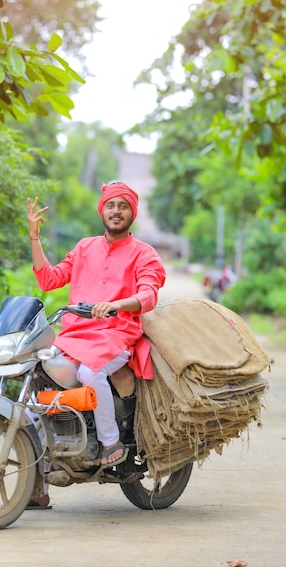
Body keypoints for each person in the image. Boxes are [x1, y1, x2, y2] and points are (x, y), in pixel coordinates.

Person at [26, 181, 166, 508]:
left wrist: (119, 304)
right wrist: (34, 237)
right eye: (110, 205)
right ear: (101, 209)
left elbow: (148, 294)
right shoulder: (84, 247)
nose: (116, 211)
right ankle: (37, 480)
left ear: (132, 212)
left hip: (115, 335)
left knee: (90, 374)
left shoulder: (145, 254)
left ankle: (111, 445)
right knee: (39, 376)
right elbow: (49, 279)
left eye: (123, 206)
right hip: (74, 335)